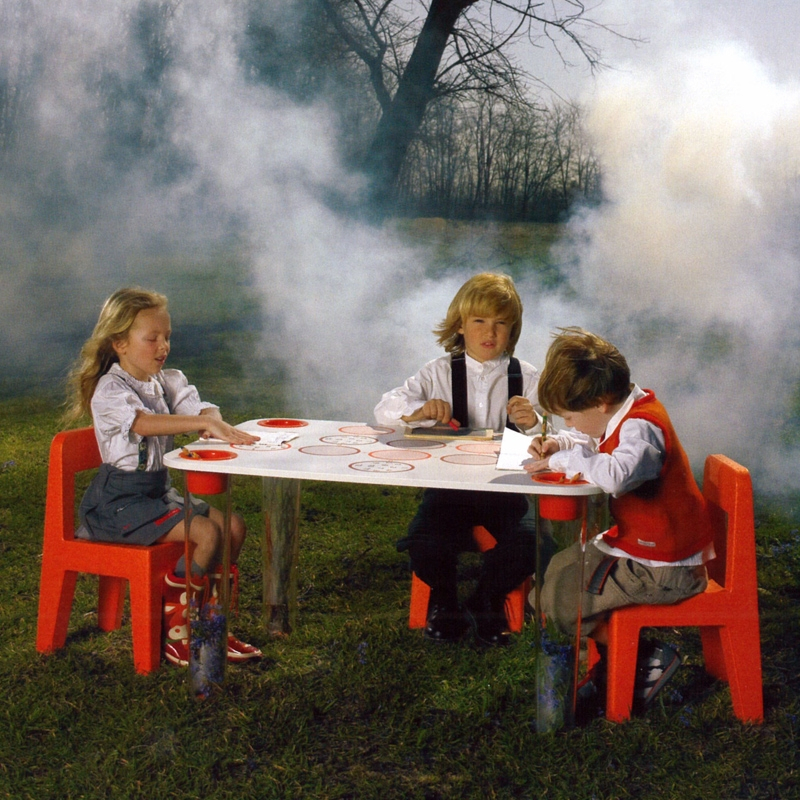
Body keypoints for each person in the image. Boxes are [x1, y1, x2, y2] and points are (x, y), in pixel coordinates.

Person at [64, 287, 262, 667]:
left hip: (157, 495)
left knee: (234, 526)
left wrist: (213, 420)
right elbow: (143, 423)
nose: (163, 346)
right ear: (120, 343)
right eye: (151, 338)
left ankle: (211, 627)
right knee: (207, 534)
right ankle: (177, 632)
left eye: (167, 336)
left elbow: (201, 409)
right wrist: (203, 423)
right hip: (118, 504)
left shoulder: (167, 380)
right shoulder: (110, 390)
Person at [524, 327, 713, 709]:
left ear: (600, 402)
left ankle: (616, 668)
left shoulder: (642, 429)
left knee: (561, 598)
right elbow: (596, 440)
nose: (570, 424)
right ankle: (634, 655)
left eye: (570, 417)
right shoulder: (622, 410)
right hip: (646, 551)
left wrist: (564, 460)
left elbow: (616, 474)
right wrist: (562, 443)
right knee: (555, 572)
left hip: (664, 570)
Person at [375, 273, 543, 646]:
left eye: (501, 323)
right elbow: (385, 408)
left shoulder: (527, 377)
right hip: (448, 490)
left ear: (513, 329)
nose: (490, 332)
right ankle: (445, 602)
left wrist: (535, 423)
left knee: (532, 542)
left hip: (505, 491)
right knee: (423, 540)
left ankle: (486, 599)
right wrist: (417, 412)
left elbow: (556, 434)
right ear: (460, 326)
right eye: (479, 321)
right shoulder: (437, 372)